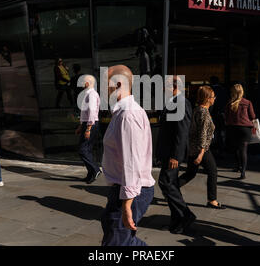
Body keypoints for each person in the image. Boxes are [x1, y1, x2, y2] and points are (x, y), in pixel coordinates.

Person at [101, 65, 155, 246]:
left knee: (116, 243)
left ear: (116, 85)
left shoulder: (128, 115)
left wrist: (127, 205)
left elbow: (132, 162)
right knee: (119, 238)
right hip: (124, 189)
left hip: (132, 191)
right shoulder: (122, 112)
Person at [156, 76, 196, 234]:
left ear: (174, 87)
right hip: (168, 152)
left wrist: (175, 156)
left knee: (166, 183)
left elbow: (182, 131)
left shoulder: (181, 103)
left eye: (164, 86)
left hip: (172, 154)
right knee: (170, 184)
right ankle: (177, 219)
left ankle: (186, 215)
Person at [179, 86, 226, 209]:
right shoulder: (204, 113)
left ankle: (171, 188)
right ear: (207, 98)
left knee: (190, 173)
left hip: (193, 147)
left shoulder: (196, 109)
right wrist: (201, 153)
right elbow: (203, 134)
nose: (214, 99)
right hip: (202, 149)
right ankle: (212, 200)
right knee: (213, 172)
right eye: (213, 96)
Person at [225, 83, 256, 180]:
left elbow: (226, 116)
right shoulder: (247, 102)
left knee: (235, 149)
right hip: (244, 129)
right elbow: (253, 116)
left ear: (232, 92)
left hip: (232, 128)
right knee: (243, 150)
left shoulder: (229, 103)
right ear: (242, 92)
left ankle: (238, 166)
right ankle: (243, 172)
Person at [75, 75, 101, 184]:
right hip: (87, 123)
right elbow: (85, 112)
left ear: (87, 83)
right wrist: (81, 126)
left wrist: (88, 128)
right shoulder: (87, 94)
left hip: (91, 124)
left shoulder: (92, 95)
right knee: (87, 150)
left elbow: (92, 111)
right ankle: (91, 173)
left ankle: (96, 169)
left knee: (83, 150)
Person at [209, 76, 227, 159]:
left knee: (212, 131)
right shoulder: (223, 90)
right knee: (220, 131)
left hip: (212, 114)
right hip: (221, 113)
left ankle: (213, 147)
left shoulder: (210, 90)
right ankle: (221, 147)